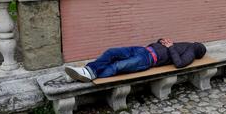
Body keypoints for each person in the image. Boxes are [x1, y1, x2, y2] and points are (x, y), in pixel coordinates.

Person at [65, 38, 207, 83]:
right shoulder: (188, 46)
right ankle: (86, 72)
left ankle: (86, 74)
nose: (196, 43)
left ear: (198, 49)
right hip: (143, 49)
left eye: (198, 44)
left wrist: (170, 47)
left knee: (117, 66)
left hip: (147, 60)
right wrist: (161, 41)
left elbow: (179, 64)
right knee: (112, 52)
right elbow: (169, 49)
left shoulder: (192, 52)